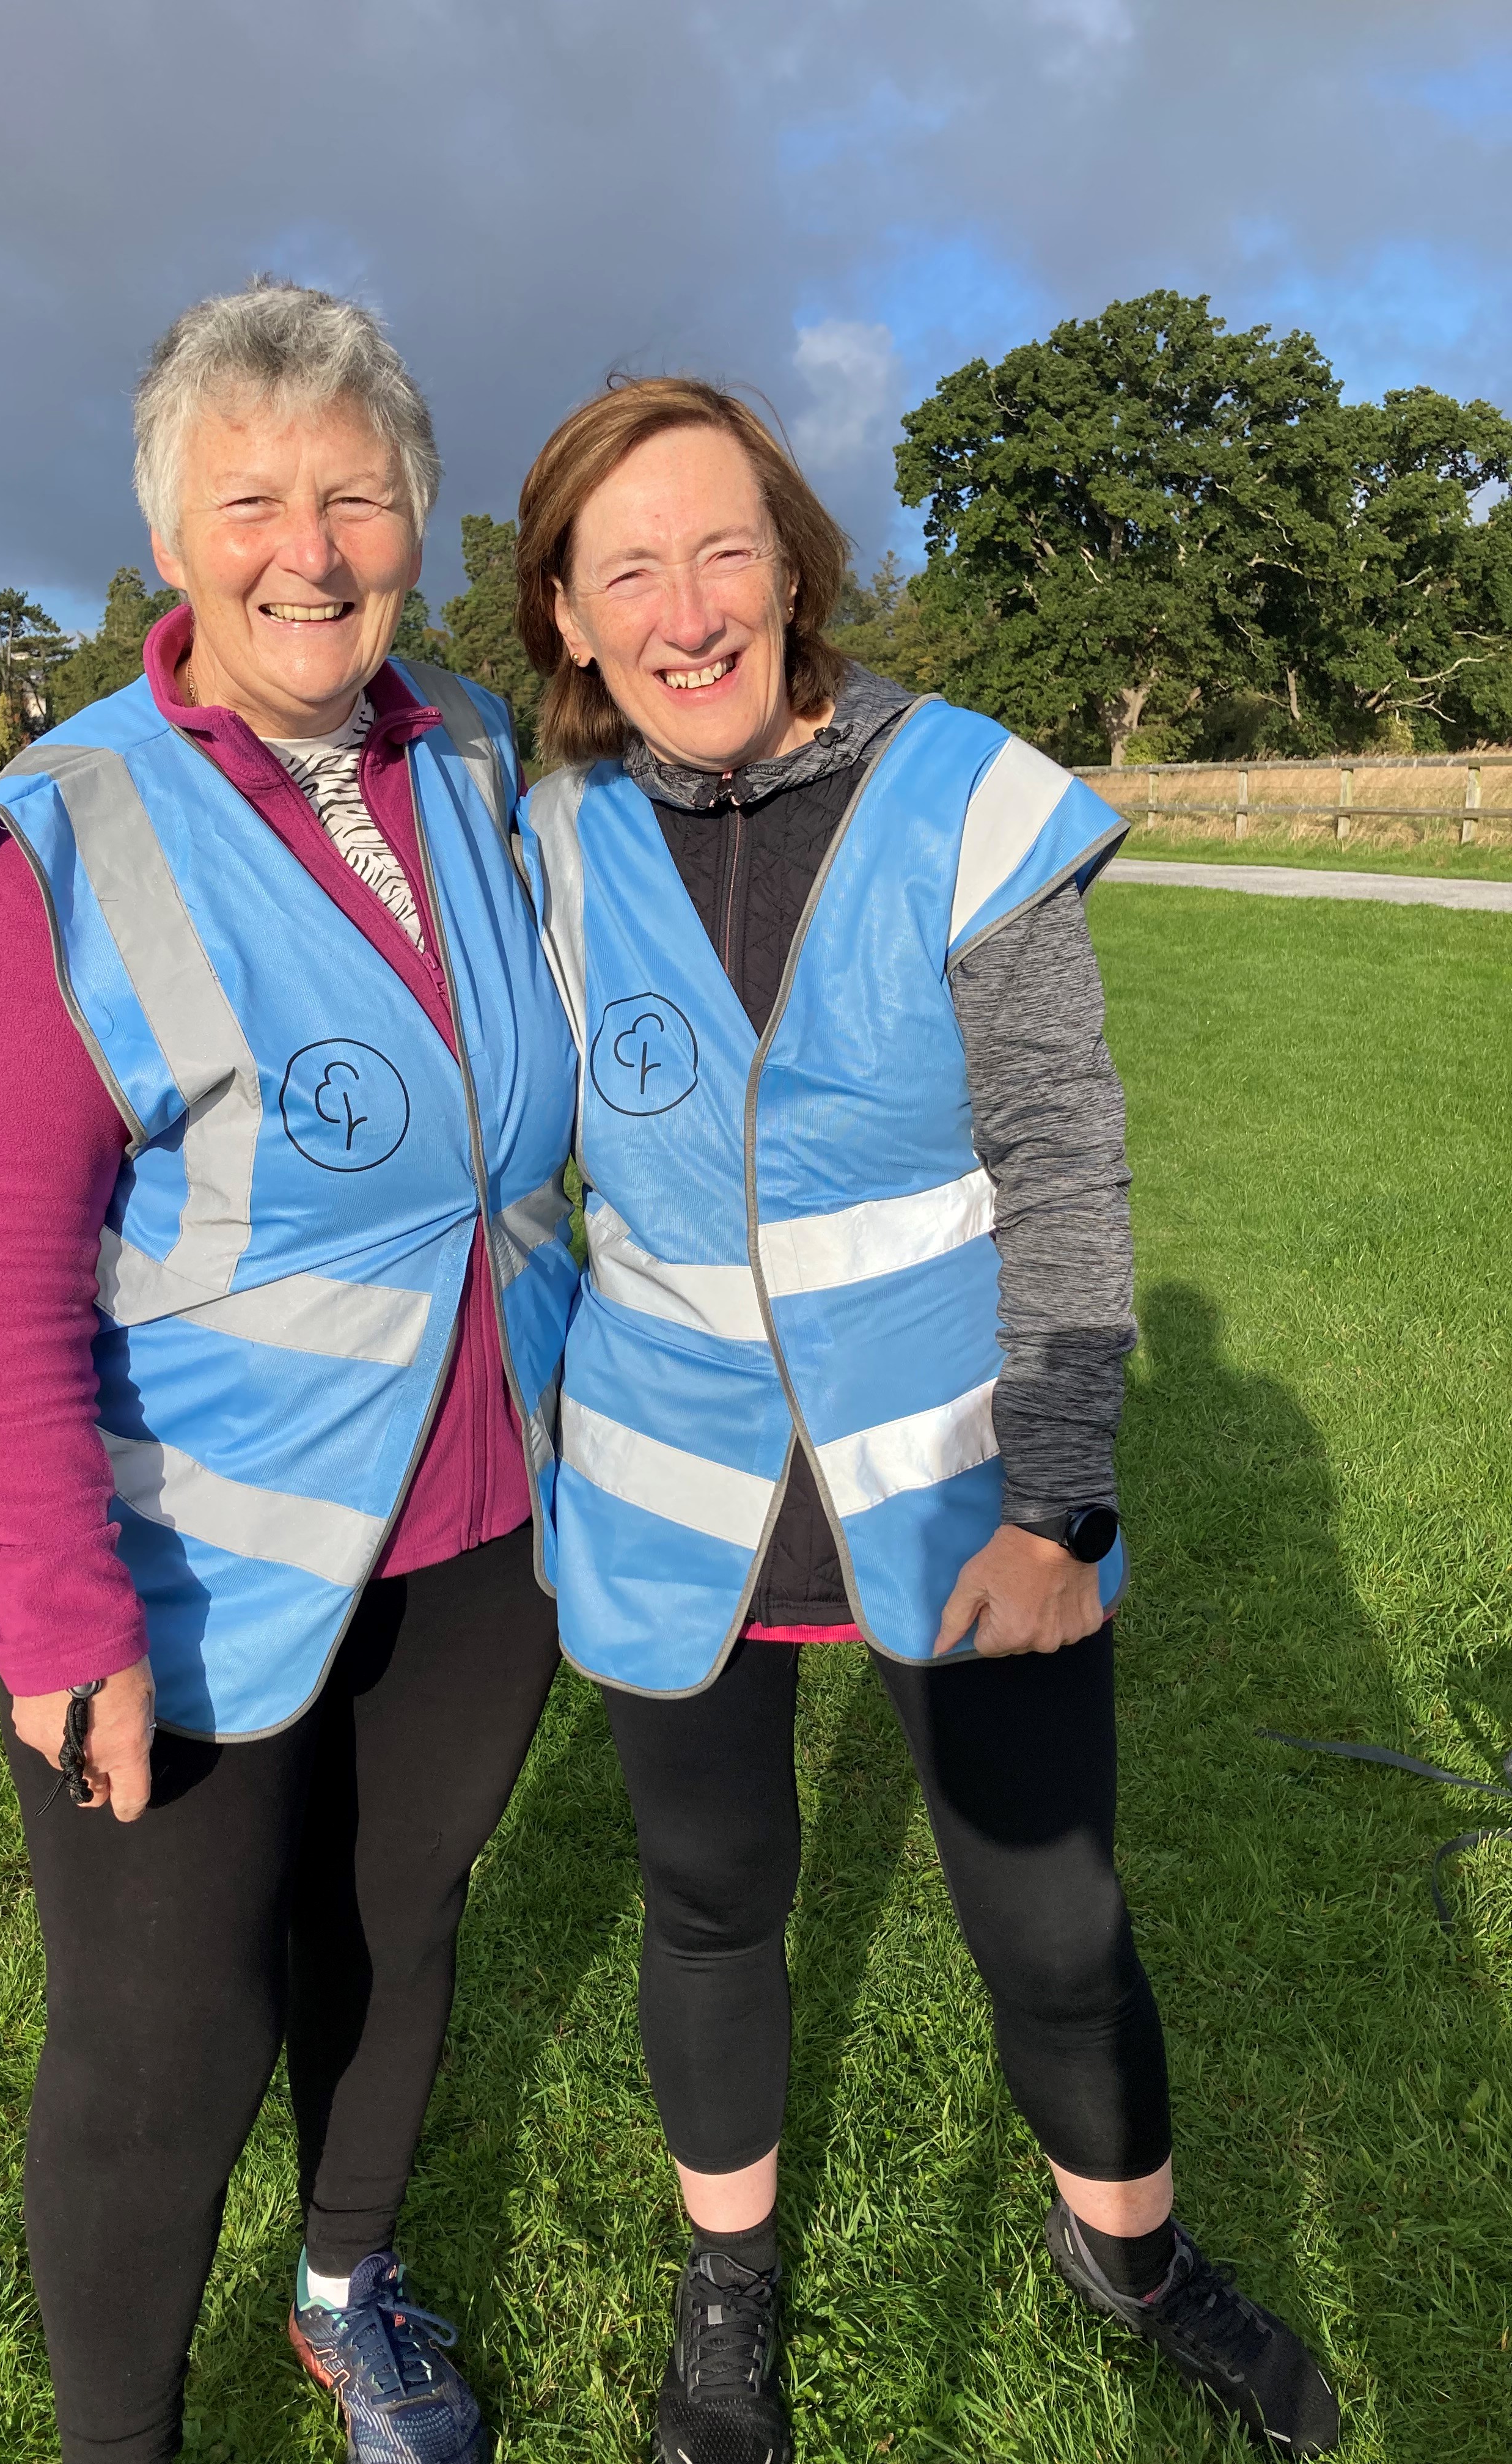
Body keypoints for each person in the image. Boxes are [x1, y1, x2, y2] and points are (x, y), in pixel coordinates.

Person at [513, 378, 1341, 2463]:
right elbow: (512, 1170)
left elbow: (1063, 1163)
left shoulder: (966, 799)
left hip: (958, 1493)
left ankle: (1132, 2253)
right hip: (677, 1489)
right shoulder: (551, 836)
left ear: (796, 563)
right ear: (568, 618)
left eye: (726, 550)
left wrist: (1060, 1503)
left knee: (1053, 1925)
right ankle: (731, 2289)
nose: (689, 610)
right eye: (631, 571)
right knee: (713, 1900)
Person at [0, 279, 578, 2464]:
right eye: (254, 498)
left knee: (396, 1924)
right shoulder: (66, 829)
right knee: (160, 2041)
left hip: (483, 1518)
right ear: (174, 540)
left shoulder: (465, 746)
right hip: (190, 1555)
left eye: (358, 495)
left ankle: (341, 2286)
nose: (312, 546)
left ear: (416, 524)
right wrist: (62, 1606)